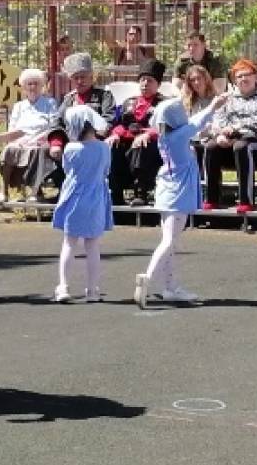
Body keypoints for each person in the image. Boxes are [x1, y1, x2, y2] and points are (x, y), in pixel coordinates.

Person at [134, 95, 226, 308]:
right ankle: (148, 278)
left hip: (168, 192)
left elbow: (194, 124)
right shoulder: (178, 136)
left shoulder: (166, 137)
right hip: (177, 195)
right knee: (168, 241)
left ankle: (171, 287)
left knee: (171, 242)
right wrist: (213, 106)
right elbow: (197, 122)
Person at [51, 105, 113, 303]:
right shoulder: (104, 148)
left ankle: (63, 286)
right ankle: (92, 290)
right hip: (96, 197)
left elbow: (67, 169)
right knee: (92, 245)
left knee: (69, 243)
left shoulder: (70, 148)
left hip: (75, 196)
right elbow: (106, 170)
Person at [202, 59, 257, 212]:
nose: (243, 79)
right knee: (211, 146)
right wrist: (220, 134)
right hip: (231, 144)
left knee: (241, 146)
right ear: (234, 80)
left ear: (255, 77)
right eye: (239, 76)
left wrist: (236, 130)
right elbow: (217, 120)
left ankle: (247, 201)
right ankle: (212, 199)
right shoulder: (227, 98)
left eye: (247, 75)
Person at [43, 53, 117, 190]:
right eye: (75, 78)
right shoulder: (69, 99)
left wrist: (93, 136)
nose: (79, 81)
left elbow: (109, 118)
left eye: (83, 77)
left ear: (91, 76)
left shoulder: (104, 95)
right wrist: (56, 143)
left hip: (97, 142)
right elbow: (57, 122)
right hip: (72, 143)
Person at [0, 69, 57, 203]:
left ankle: (34, 192)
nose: (32, 87)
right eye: (29, 84)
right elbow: (12, 128)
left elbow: (53, 126)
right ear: (24, 87)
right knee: (9, 150)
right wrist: (17, 141)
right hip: (21, 141)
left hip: (40, 141)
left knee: (37, 151)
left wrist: (39, 139)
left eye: (36, 83)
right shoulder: (19, 106)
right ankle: (4, 192)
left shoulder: (50, 103)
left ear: (42, 85)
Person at [108, 59, 167, 207]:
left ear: (158, 84)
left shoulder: (164, 104)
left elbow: (165, 126)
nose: (145, 84)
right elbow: (119, 123)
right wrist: (116, 134)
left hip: (152, 145)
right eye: (142, 80)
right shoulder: (129, 102)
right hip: (128, 141)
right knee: (113, 147)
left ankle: (141, 192)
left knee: (142, 145)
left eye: (150, 80)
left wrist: (148, 134)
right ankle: (116, 193)